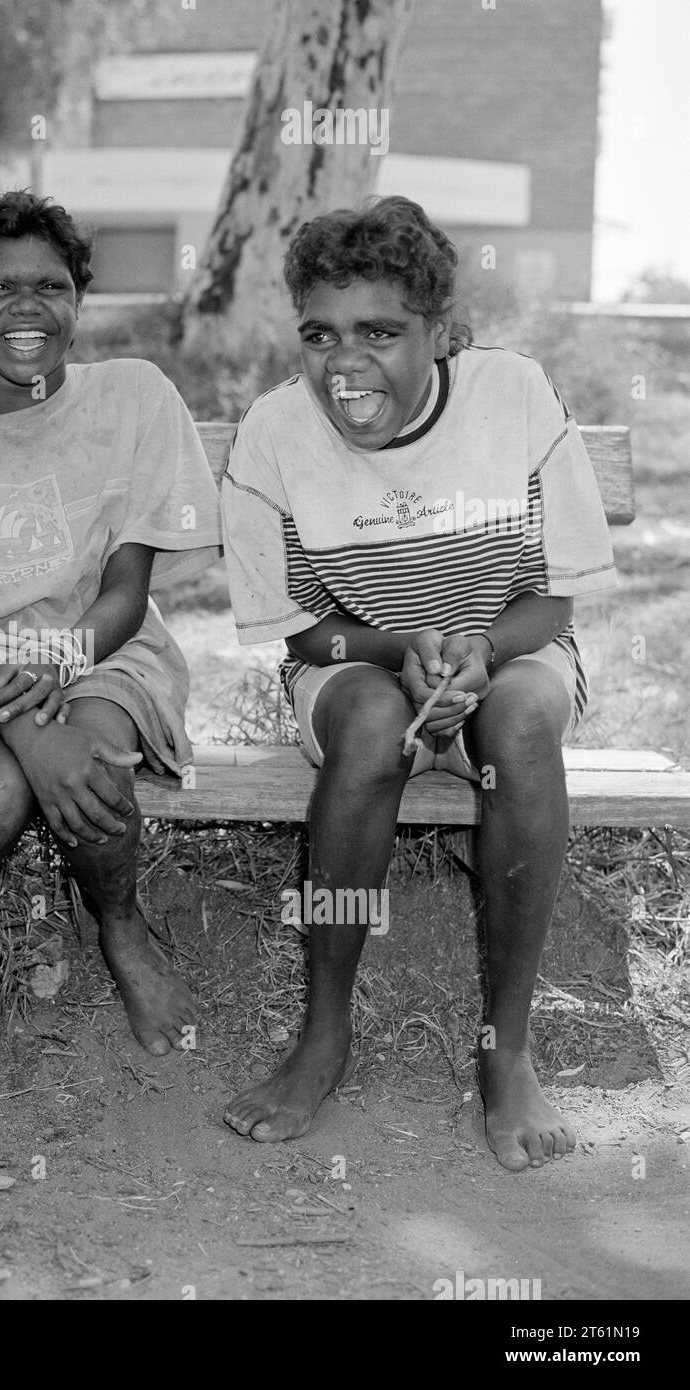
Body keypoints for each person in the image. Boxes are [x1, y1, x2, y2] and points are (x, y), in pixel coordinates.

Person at [221, 196, 617, 1171]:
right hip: (359, 664)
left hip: (510, 648)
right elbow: (297, 624)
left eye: (380, 333)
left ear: (438, 334)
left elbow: (555, 598)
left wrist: (481, 644)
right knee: (368, 725)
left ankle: (506, 1047)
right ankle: (323, 1033)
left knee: (522, 719)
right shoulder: (276, 433)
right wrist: (396, 644)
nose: (344, 364)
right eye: (319, 333)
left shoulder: (514, 396)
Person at [0, 190, 222, 1063]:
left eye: (51, 288)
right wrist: (24, 727)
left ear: (77, 304)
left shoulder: (134, 397)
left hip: (99, 649)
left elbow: (126, 592)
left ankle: (123, 929)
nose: (27, 309)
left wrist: (58, 671)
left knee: (93, 762)